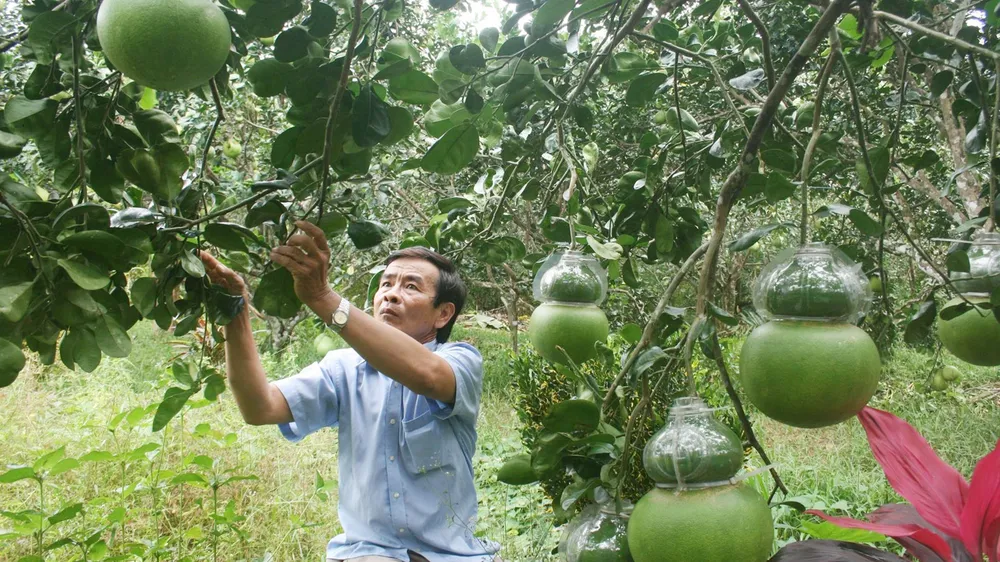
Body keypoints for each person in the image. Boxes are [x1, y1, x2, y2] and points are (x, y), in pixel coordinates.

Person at [199, 220, 500, 562]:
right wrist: (234, 314)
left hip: (452, 556)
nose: (390, 293)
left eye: (411, 286)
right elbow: (259, 407)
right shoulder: (343, 368)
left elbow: (428, 377)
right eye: (386, 283)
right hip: (368, 554)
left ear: (443, 314)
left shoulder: (460, 361)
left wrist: (323, 298)